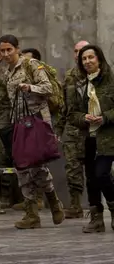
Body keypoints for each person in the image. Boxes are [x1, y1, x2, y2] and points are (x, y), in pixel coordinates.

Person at [0, 34, 65, 229]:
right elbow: (5, 101)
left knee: (36, 164)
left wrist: (29, 87)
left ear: (17, 49)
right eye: (3, 50)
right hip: (18, 123)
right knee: (22, 166)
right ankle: (32, 212)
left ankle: (52, 200)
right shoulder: (5, 72)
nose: (6, 53)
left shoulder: (31, 65)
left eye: (9, 49)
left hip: (37, 121)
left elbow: (48, 88)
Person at [67, 44, 114, 233]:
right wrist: (83, 118)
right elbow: (72, 114)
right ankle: (96, 218)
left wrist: (105, 117)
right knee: (91, 179)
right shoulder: (78, 85)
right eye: (83, 59)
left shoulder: (110, 80)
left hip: (108, 137)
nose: (87, 61)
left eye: (90, 57)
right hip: (88, 137)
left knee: (102, 173)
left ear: (99, 59)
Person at [57, 40, 90, 218]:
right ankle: (76, 205)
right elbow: (64, 105)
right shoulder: (70, 76)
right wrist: (58, 129)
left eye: (83, 51)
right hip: (72, 130)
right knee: (72, 169)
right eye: (77, 51)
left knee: (99, 171)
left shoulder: (100, 75)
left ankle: (97, 207)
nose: (79, 55)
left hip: (93, 129)